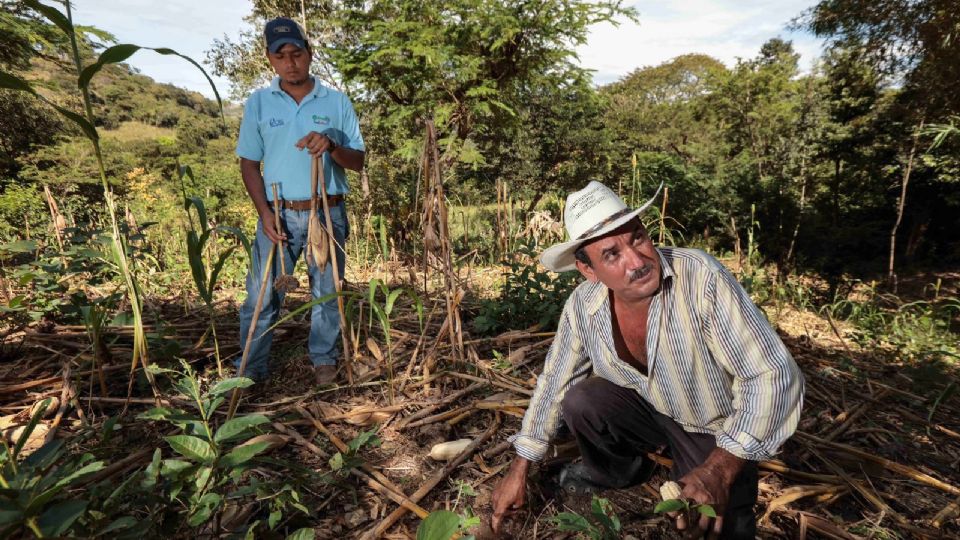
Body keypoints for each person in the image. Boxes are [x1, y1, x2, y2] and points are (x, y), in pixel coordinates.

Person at [490, 181, 804, 538]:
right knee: (582, 400)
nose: (637, 262)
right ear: (589, 271)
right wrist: (520, 468)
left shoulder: (700, 277)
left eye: (637, 238)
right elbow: (555, 382)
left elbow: (772, 374)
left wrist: (720, 467)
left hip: (709, 426)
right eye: (612, 254)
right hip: (647, 411)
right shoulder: (583, 305)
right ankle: (616, 472)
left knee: (715, 523)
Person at [235, 17, 365, 385]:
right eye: (281, 55)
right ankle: (250, 370)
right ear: (269, 59)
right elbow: (249, 163)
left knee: (327, 292)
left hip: (327, 212)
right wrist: (264, 213)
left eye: (297, 53)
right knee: (260, 296)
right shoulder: (259, 103)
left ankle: (324, 360)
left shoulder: (336, 102)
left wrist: (332, 145)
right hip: (277, 214)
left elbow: (358, 162)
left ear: (310, 54)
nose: (290, 62)